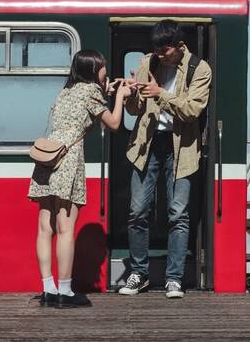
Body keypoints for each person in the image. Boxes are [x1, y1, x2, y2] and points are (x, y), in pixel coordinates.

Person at [28, 49, 132, 308]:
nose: (106, 69)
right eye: (103, 65)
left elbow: (80, 110)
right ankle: (65, 292)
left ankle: (48, 289)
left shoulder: (66, 92)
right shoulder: (91, 92)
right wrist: (119, 96)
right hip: (69, 160)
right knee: (65, 229)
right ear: (93, 69)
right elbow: (115, 123)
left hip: (48, 158)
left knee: (44, 228)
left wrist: (104, 93)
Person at [119, 20, 212, 299]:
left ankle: (174, 278)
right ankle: (139, 273)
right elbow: (136, 110)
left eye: (165, 50)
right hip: (146, 144)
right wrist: (131, 92)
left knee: (178, 214)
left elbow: (192, 110)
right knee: (137, 212)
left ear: (178, 45)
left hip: (181, 147)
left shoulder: (199, 68)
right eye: (156, 49)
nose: (160, 55)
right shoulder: (148, 62)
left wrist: (160, 94)